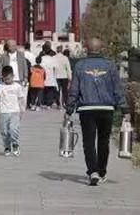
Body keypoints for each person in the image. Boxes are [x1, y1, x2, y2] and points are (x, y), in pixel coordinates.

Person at [66, 38, 129, 186]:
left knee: (88, 141)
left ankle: (93, 171)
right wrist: (124, 108)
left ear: (87, 49)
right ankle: (102, 172)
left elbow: (74, 89)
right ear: (101, 49)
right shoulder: (110, 65)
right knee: (103, 141)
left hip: (87, 109)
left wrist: (69, 108)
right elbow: (117, 89)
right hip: (106, 108)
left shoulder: (80, 65)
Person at [0, 66, 26, 156]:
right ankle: (7, 146)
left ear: (13, 76)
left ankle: (15, 144)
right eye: (5, 79)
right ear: (2, 77)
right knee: (4, 131)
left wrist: (22, 110)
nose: (7, 80)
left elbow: (21, 99)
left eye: (9, 78)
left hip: (15, 111)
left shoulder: (17, 87)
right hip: (3, 111)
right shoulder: (0, 87)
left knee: (13, 129)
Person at [38, 42, 59, 109]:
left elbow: (39, 65)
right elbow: (56, 67)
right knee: (50, 91)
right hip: (51, 76)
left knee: (44, 90)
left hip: (43, 76)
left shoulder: (41, 57)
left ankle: (43, 103)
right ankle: (49, 104)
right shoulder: (53, 57)